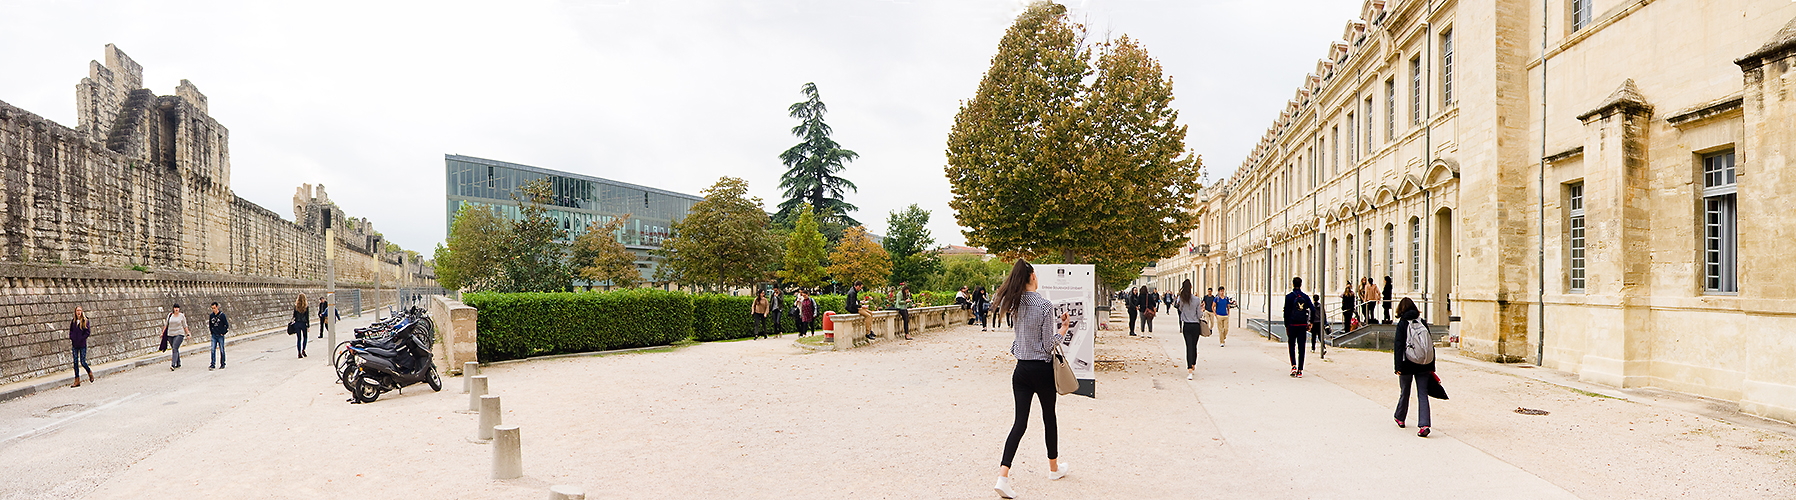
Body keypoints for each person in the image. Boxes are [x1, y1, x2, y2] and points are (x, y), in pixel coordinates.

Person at [991, 259, 1069, 498]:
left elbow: (1018, 339)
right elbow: (1048, 345)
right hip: (1042, 371)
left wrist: (1020, 349)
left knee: (1019, 423)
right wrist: (1063, 330)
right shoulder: (1045, 305)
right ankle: (1054, 468)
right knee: (1049, 418)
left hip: (1021, 371)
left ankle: (1003, 476)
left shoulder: (1014, 303)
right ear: (1033, 277)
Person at [1392, 297, 1434, 437]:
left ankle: (1400, 417)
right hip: (1423, 364)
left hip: (1406, 363)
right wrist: (1431, 366)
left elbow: (1398, 346)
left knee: (1405, 392)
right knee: (1422, 394)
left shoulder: (1403, 324)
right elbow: (1429, 346)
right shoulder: (1422, 322)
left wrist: (1397, 366)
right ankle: (1424, 425)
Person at [1283, 277, 1314, 378]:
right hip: (1302, 325)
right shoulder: (1305, 296)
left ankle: (1293, 366)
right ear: (1301, 284)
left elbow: (1286, 312)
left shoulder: (1289, 297)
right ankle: (1300, 370)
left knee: (1291, 345)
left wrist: (1286, 325)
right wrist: (1311, 322)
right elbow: (1313, 309)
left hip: (1292, 325)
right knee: (1302, 347)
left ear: (1292, 284)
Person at [1176, 280, 1204, 381]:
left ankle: (1189, 369)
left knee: (1188, 346)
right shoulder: (1197, 300)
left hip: (1186, 325)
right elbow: (1199, 314)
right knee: (1194, 345)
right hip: (1195, 325)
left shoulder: (1182, 299)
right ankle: (1193, 363)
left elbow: (1181, 309)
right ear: (1191, 287)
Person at [69, 307, 94, 387]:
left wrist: (82, 338)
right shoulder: (73, 322)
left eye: (80, 310)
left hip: (82, 344)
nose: (78, 312)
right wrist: (72, 338)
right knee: (75, 362)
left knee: (83, 362)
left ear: (82, 311)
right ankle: (77, 380)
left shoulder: (85, 321)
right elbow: (71, 331)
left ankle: (89, 372)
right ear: (75, 312)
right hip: (75, 345)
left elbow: (87, 332)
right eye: (77, 311)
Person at [165, 304, 190, 370]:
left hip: (179, 333)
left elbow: (185, 325)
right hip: (170, 334)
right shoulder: (170, 315)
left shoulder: (181, 316)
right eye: (175, 308)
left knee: (175, 347)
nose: (176, 309)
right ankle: (178, 363)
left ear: (179, 309)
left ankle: (173, 364)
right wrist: (163, 333)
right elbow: (166, 325)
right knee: (174, 348)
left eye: (177, 308)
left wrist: (187, 333)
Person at [207, 302, 230, 370]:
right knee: (212, 349)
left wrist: (223, 332)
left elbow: (226, 325)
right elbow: (210, 325)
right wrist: (212, 332)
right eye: (212, 308)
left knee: (221, 349)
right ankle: (212, 364)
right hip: (214, 335)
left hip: (220, 335)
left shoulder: (222, 315)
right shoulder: (211, 316)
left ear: (217, 307)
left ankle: (222, 363)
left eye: (214, 308)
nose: (214, 309)